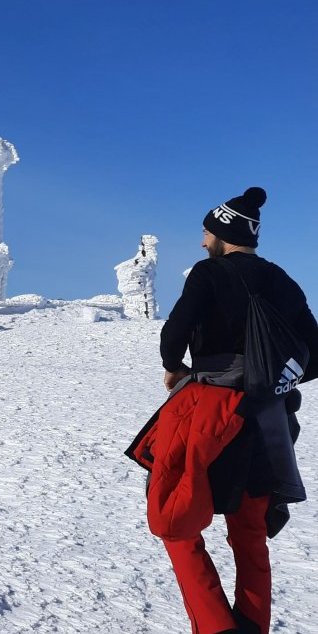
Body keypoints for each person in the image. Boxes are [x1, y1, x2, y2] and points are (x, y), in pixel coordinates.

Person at [126, 187, 318, 634]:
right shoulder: (282, 280)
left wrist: (175, 369)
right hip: (268, 421)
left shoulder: (208, 274)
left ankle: (216, 627)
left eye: (206, 231)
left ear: (221, 234)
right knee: (249, 533)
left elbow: (173, 334)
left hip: (209, 417)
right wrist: (271, 381)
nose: (201, 241)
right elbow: (316, 354)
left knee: (175, 520)